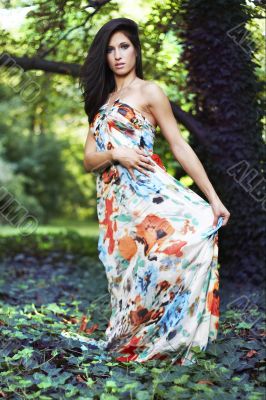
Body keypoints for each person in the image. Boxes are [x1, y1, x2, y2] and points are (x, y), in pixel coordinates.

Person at [62, 17, 230, 365]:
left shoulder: (150, 91)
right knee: (124, 272)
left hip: (148, 193)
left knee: (164, 257)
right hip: (114, 203)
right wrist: (115, 153)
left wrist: (213, 198)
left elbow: (179, 145)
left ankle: (168, 336)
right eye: (110, 49)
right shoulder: (100, 100)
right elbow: (88, 159)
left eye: (124, 46)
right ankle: (129, 339)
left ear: (136, 50)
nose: (118, 55)